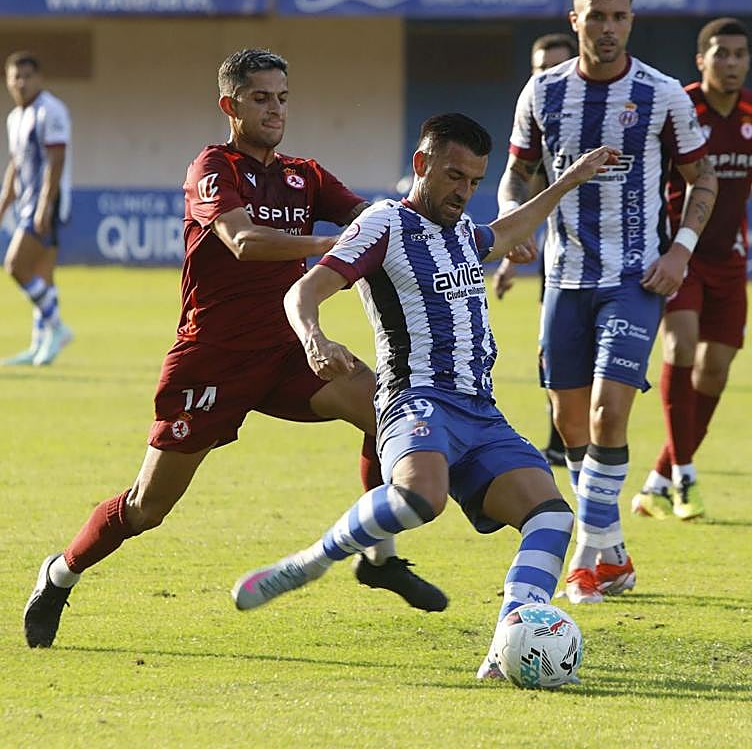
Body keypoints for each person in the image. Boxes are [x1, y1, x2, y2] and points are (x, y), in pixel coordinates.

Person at [22, 48, 445, 649]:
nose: (276, 110)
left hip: (290, 352)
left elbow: (374, 220)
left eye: (283, 98)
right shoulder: (212, 167)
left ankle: (378, 557)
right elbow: (243, 241)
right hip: (212, 361)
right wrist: (330, 244)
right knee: (147, 508)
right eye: (261, 98)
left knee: (385, 412)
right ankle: (60, 574)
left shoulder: (305, 175)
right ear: (231, 105)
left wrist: (427, 215)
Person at [228, 113, 617, 682]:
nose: (464, 191)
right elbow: (302, 292)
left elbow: (507, 232)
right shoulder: (383, 223)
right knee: (421, 498)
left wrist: (568, 181)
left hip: (480, 411)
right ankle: (311, 562)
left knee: (553, 517)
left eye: (474, 181)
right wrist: (315, 339)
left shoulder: (462, 232)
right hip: (416, 399)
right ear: (422, 165)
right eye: (454, 176)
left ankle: (506, 648)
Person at [501, 0, 718, 604]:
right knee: (569, 420)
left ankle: (582, 559)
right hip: (564, 278)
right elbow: (516, 174)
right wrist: (515, 221)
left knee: (606, 412)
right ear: (575, 21)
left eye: (618, 16)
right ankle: (613, 550)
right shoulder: (543, 92)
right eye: (595, 16)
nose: (607, 28)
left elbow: (703, 177)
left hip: (634, 278)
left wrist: (680, 251)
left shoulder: (661, 93)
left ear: (631, 21)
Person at [629, 18, 752, 522]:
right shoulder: (678, 107)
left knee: (715, 369)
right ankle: (686, 475)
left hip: (729, 257)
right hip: (678, 252)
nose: (731, 63)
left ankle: (659, 480)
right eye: (721, 54)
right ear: (701, 60)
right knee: (681, 346)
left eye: (739, 54)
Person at [492, 32, 577, 467]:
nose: (547, 76)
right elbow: (532, 197)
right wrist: (511, 258)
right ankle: (562, 443)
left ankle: (582, 445)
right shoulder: (537, 125)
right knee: (554, 352)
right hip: (557, 258)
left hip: (609, 261)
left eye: (556, 68)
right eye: (540, 68)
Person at [1, 51, 73, 366]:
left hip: (47, 202)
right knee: (42, 275)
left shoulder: (50, 110)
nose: (22, 83)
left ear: (39, 78)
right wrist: (5, 202)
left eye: (27, 76)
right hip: (26, 202)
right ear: (7, 81)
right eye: (16, 77)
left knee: (15, 265)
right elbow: (15, 164)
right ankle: (39, 345)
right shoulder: (14, 118)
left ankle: (57, 328)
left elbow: (57, 159)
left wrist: (45, 204)